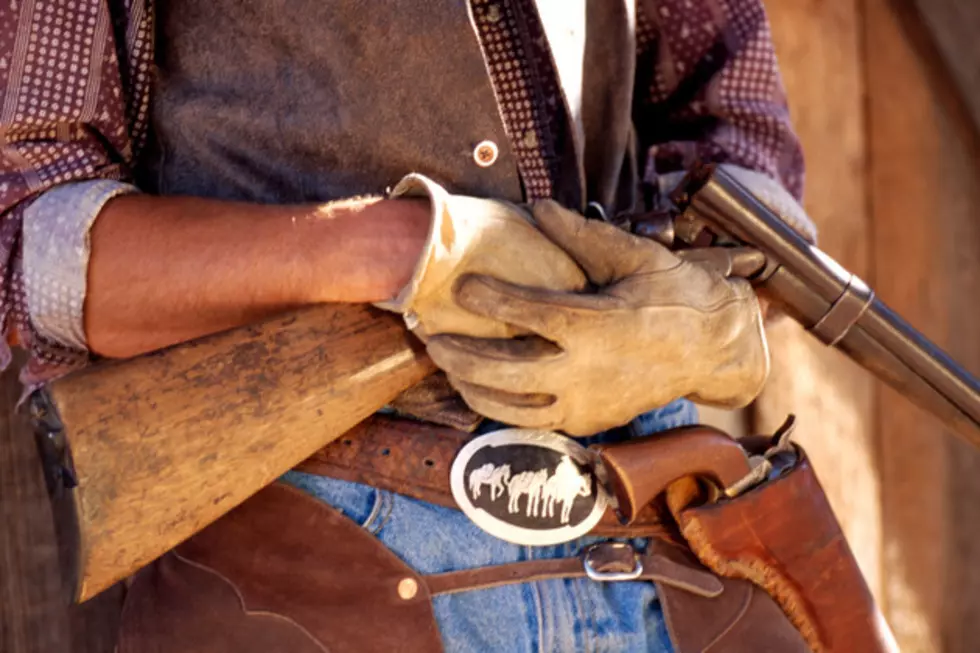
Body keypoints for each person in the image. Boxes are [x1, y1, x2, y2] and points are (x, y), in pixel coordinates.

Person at [0, 1, 817, 651]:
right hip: (316, 566)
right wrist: (405, 249)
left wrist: (704, 310)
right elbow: (31, 243)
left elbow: (744, 152)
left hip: (642, 555)